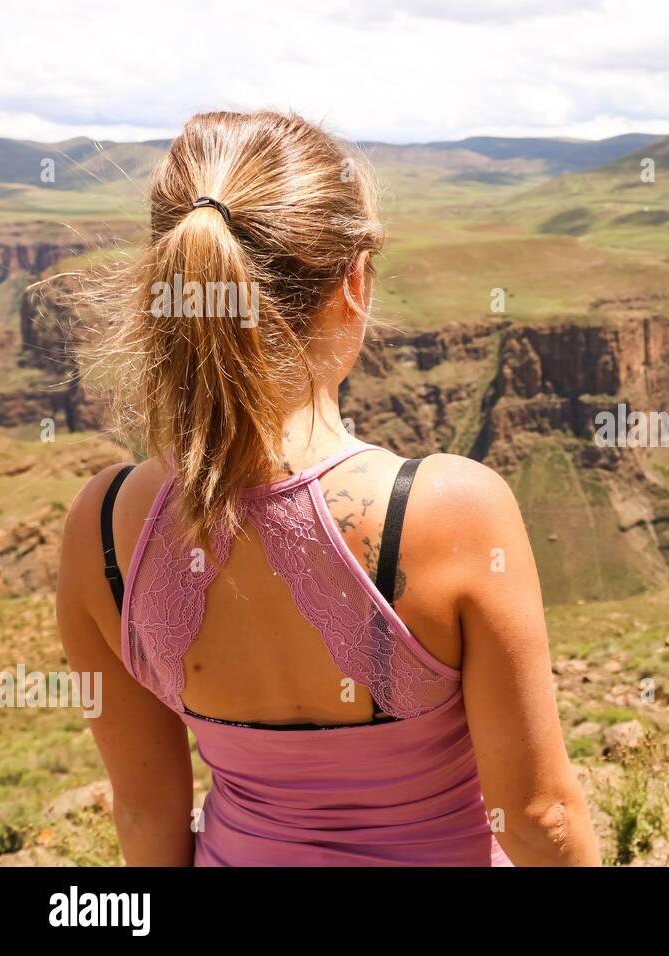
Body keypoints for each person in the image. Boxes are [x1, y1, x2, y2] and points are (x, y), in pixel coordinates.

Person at [55, 110, 599, 866]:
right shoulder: (450, 509)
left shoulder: (101, 525)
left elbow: (147, 819)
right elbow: (540, 818)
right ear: (354, 282)